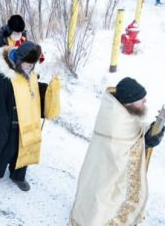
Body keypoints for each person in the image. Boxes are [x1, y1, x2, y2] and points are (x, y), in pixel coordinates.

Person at [70, 77, 164, 225]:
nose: (145, 101)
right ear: (129, 102)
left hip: (99, 172)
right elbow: (135, 141)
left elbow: (137, 131)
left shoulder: (118, 111)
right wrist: (149, 137)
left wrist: (157, 126)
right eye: (141, 99)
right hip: (108, 175)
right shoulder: (116, 124)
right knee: (103, 205)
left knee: (94, 201)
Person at [0, 42, 60, 191]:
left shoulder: (32, 73)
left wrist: (48, 92)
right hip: (9, 122)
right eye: (26, 64)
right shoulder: (2, 76)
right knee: (4, 150)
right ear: (18, 58)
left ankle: (18, 176)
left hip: (27, 122)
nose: (29, 67)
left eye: (32, 65)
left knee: (23, 151)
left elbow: (33, 94)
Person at [0, 15, 28, 80]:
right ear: (10, 30)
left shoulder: (22, 38)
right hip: (3, 74)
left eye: (20, 33)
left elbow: (27, 54)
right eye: (16, 33)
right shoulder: (0, 39)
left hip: (18, 74)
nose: (19, 35)